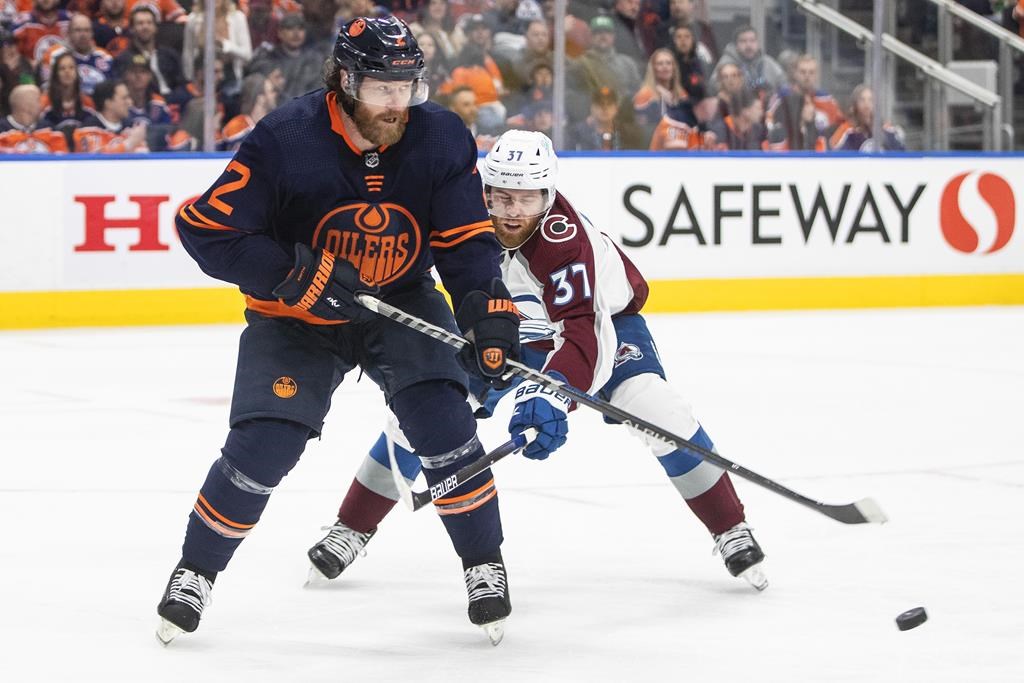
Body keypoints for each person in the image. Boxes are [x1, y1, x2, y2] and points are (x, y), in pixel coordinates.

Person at [156, 16, 520, 647]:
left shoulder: (440, 135)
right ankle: (196, 571)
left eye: (407, 87)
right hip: (295, 316)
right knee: (264, 444)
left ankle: (483, 562)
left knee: (446, 426)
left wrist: (485, 307)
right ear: (345, 82)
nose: (397, 103)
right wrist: (292, 275)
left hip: (401, 299)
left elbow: (464, 240)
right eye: (382, 88)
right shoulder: (287, 137)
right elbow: (204, 229)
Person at [305, 129, 769, 596]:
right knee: (419, 416)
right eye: (503, 197)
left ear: (547, 195)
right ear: (485, 191)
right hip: (502, 330)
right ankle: (351, 528)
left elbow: (583, 332)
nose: (513, 212)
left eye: (527, 198)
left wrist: (552, 392)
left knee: (658, 408)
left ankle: (730, 527)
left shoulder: (564, 240)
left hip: (602, 326)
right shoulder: (460, 217)